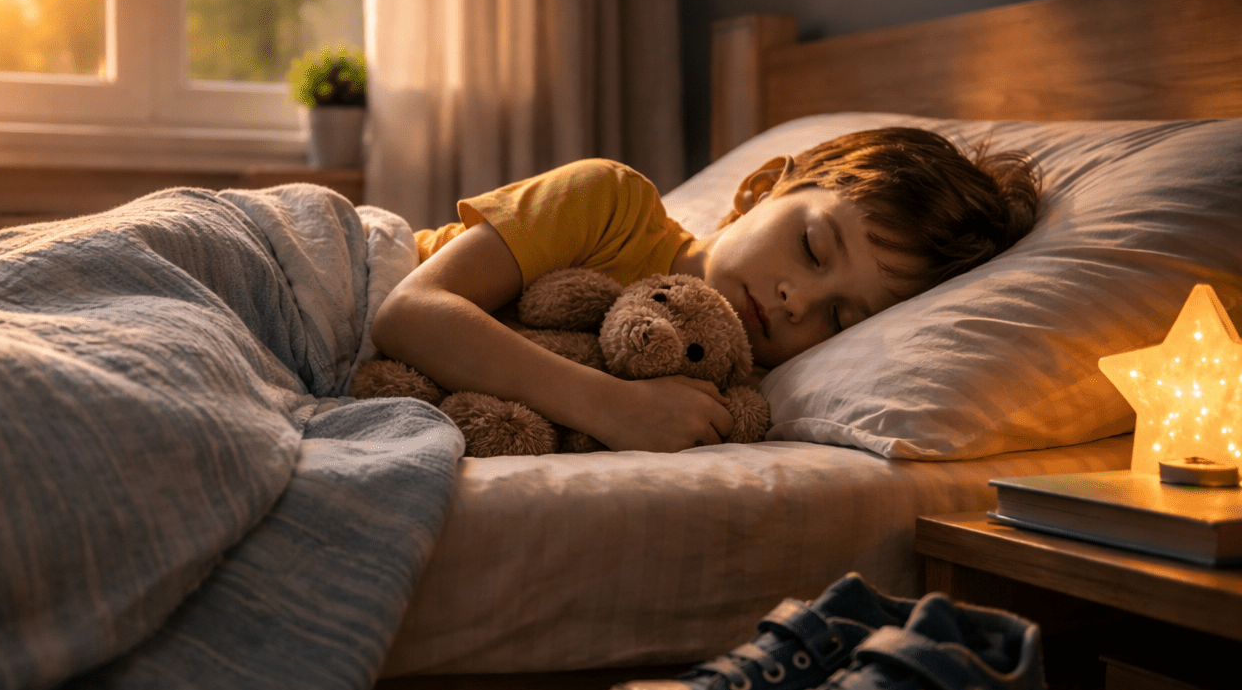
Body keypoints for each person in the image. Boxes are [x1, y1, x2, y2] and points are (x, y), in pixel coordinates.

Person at [370, 127, 1039, 454]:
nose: (796, 302)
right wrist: (613, 407)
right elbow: (408, 314)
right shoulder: (612, 202)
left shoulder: (725, 393)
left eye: (840, 318)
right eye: (812, 246)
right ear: (766, 186)